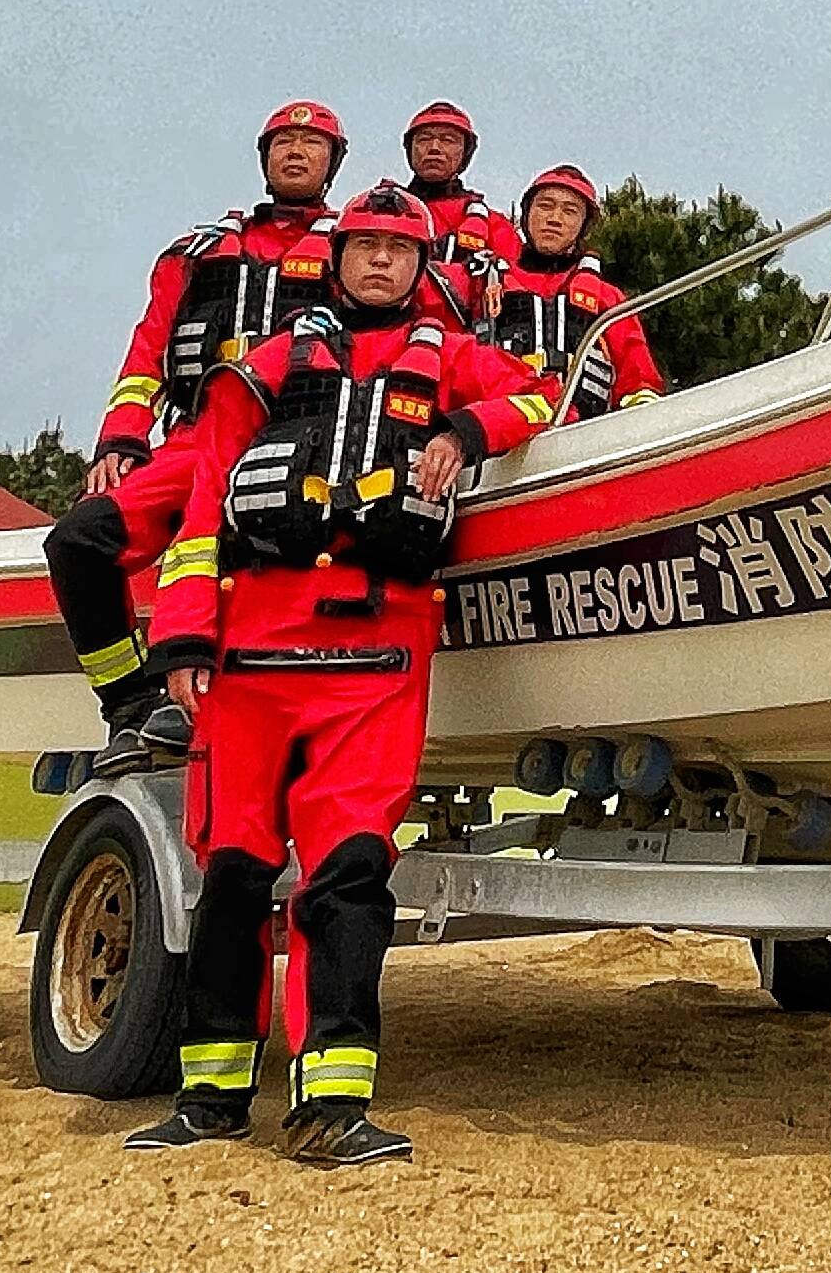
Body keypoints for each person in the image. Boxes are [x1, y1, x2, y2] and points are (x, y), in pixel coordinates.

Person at [128, 186, 558, 1164]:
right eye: (364, 247)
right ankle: (209, 1098)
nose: (379, 264)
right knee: (232, 875)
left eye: (398, 253)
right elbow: (202, 512)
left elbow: (538, 394)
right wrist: (185, 640)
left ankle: (331, 1104)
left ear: (419, 268)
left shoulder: (447, 358)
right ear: (338, 256)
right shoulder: (268, 367)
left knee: (349, 875)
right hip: (249, 652)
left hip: (375, 651)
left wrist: (463, 435)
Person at [45, 100, 344, 770]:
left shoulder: (359, 248)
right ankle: (131, 705)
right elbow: (148, 352)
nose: (296, 152)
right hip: (195, 440)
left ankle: (233, 715)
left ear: (334, 162)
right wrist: (122, 440)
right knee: (76, 542)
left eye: (312, 143)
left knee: (250, 567)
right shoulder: (196, 255)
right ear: (264, 157)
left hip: (305, 442)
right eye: (284, 142)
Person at [486, 164, 663, 422]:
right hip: (498, 432)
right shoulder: (488, 284)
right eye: (545, 206)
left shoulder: (607, 297)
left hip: (583, 436)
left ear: (583, 227)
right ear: (526, 215)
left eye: (570, 211)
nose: (555, 218)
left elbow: (638, 378)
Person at [399, 99, 515, 333]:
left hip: (464, 347)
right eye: (423, 139)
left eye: (448, 140)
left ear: (465, 153)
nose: (434, 147)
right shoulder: (375, 213)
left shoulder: (495, 226)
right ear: (410, 150)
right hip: (393, 342)